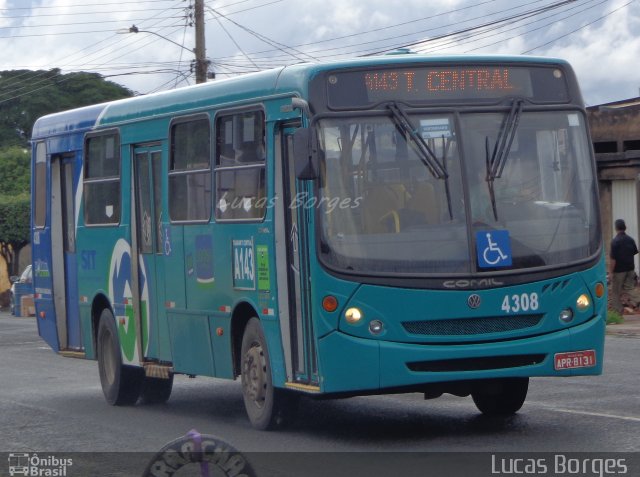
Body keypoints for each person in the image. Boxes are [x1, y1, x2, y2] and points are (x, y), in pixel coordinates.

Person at [609, 218, 640, 314]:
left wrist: (610, 272)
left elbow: (613, 259)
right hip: (630, 269)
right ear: (625, 228)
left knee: (616, 291)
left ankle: (617, 311)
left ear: (616, 228)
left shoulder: (615, 241)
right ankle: (638, 299)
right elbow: (635, 252)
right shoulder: (631, 240)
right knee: (629, 287)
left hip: (619, 271)